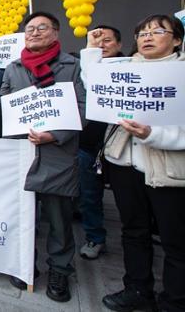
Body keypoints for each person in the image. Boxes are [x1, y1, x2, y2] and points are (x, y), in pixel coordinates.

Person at [0, 11, 86, 302]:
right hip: (20, 152)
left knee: (59, 220)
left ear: (55, 33)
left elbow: (83, 108)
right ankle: (25, 264)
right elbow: (5, 102)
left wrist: (54, 135)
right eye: (30, 29)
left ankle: (60, 271)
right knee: (23, 215)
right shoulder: (14, 68)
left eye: (41, 28)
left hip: (56, 154)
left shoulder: (72, 66)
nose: (34, 33)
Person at [82, 15, 185, 312]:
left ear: (176, 39)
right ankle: (138, 289)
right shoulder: (124, 69)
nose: (148, 37)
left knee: (175, 239)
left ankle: (174, 301)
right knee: (133, 231)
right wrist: (91, 48)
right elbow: (95, 84)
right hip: (126, 166)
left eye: (158, 31)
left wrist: (154, 134)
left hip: (170, 171)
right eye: (142, 32)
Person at [76, 25, 124, 260]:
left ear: (120, 45)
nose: (102, 45)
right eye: (97, 41)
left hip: (123, 146)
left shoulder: (133, 69)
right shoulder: (84, 71)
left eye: (107, 41)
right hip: (89, 145)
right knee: (90, 196)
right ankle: (95, 237)